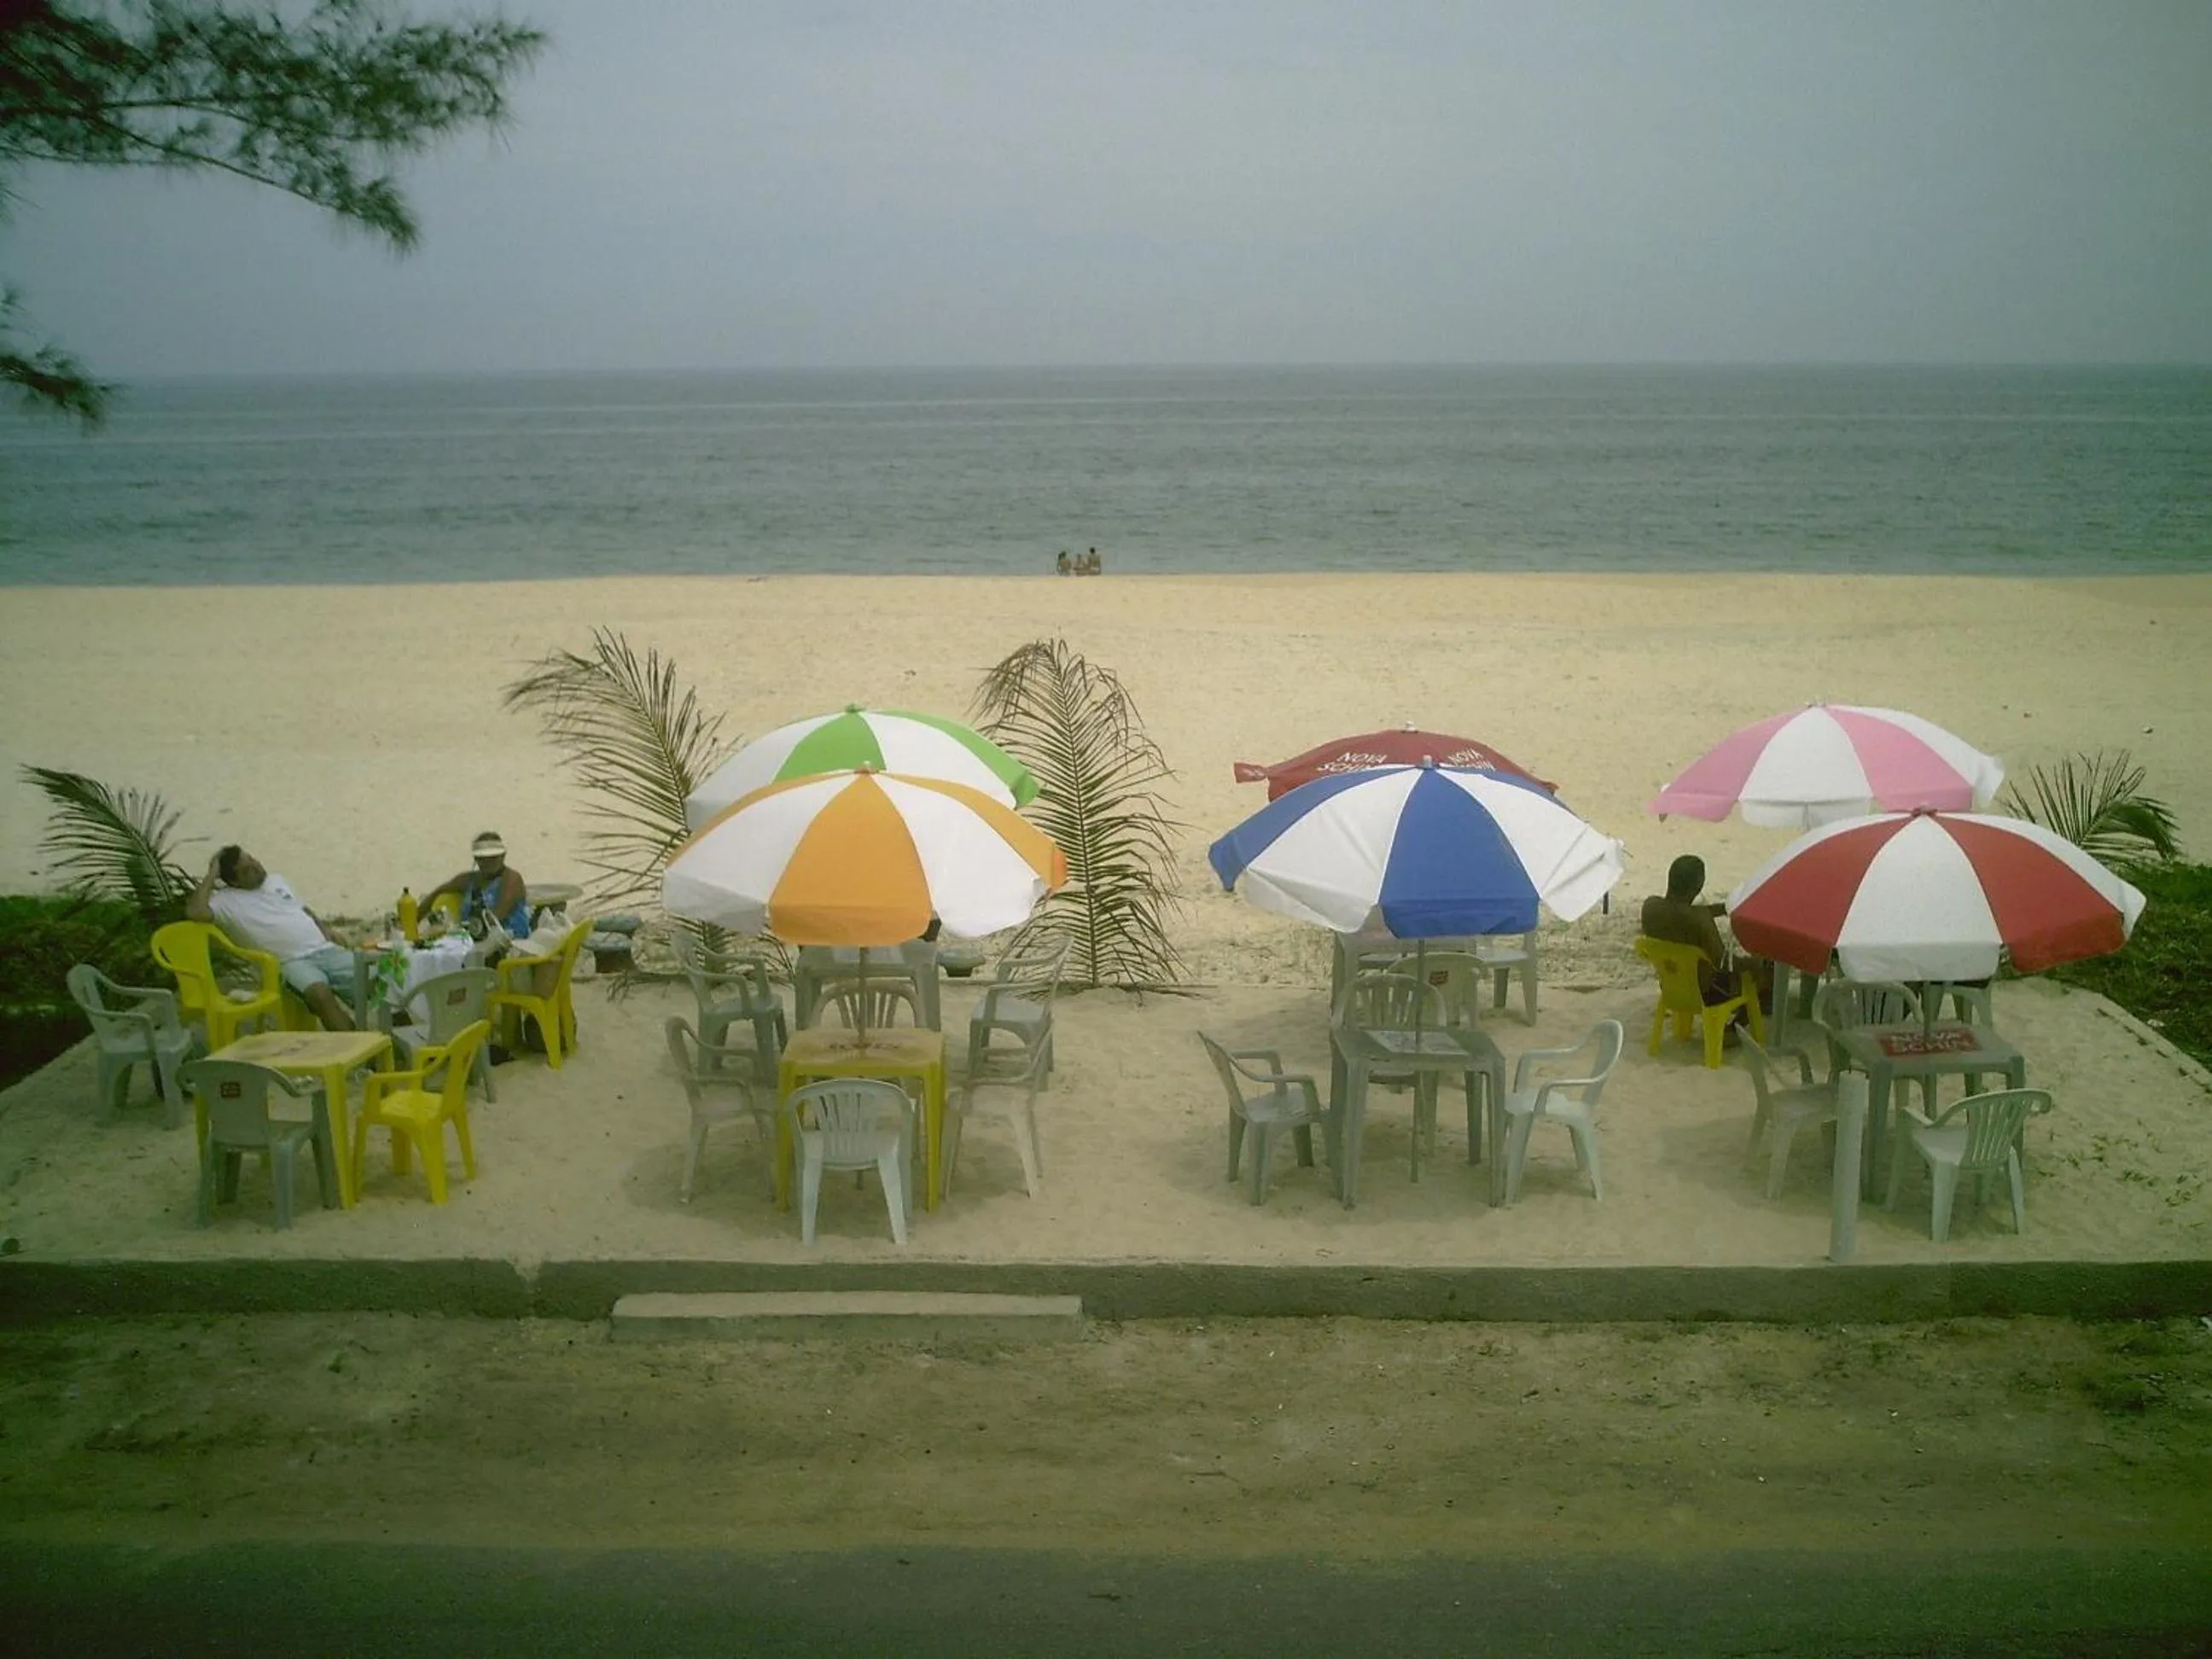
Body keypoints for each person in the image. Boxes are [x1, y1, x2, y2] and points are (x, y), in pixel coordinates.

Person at [187, 846, 357, 1031]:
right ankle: (362, 1046)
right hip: (290, 962)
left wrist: (325, 928)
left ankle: (384, 1040)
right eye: (246, 869)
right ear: (234, 882)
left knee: (374, 980)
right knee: (319, 995)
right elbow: (195, 912)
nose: (256, 867)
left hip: (324, 949)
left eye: (252, 859)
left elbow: (301, 908)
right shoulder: (224, 901)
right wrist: (212, 874)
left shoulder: (276, 881)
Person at [1639, 854, 1769, 1023]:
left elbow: (1682, 912)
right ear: (1699, 886)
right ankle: (1736, 1027)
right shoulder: (1700, 920)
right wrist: (1755, 962)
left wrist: (1724, 908)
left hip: (1672, 988)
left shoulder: (1651, 907)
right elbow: (1725, 964)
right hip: (1708, 993)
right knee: (1765, 969)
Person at [423, 830, 531, 941]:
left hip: (509, 943)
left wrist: (456, 930)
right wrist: (412, 922)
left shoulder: (512, 878)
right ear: (476, 859)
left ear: (503, 856)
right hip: (471, 939)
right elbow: (437, 893)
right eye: (483, 858)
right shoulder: (468, 880)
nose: (488, 862)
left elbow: (498, 915)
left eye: (493, 857)